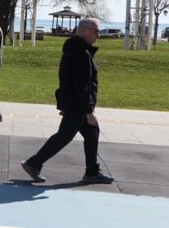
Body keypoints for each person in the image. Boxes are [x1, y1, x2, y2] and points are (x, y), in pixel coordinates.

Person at [20, 17, 115, 185]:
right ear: (84, 31)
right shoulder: (81, 53)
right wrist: (88, 111)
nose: (98, 35)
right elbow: (81, 85)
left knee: (92, 132)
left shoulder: (77, 49)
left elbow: (66, 81)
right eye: (96, 31)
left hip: (75, 104)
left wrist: (64, 104)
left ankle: (92, 172)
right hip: (78, 106)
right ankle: (33, 163)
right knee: (64, 136)